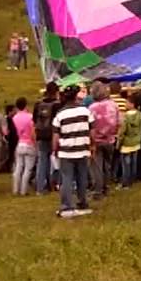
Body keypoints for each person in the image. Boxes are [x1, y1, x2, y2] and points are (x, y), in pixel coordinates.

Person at [53, 87, 94, 217]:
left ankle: (67, 205)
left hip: (66, 152)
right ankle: (82, 202)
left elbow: (55, 137)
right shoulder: (85, 111)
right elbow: (92, 131)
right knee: (82, 177)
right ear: (76, 96)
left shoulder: (60, 115)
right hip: (82, 149)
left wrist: (55, 150)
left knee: (66, 179)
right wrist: (92, 145)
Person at [88, 82, 121, 197]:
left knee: (97, 166)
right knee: (107, 165)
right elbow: (118, 122)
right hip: (110, 139)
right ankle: (106, 187)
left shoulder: (91, 108)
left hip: (96, 141)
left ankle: (98, 190)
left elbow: (89, 125)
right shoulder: (113, 105)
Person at [33, 83, 59, 193]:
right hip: (53, 134)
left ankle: (40, 186)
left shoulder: (38, 104)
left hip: (41, 134)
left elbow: (34, 119)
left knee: (42, 161)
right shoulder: (57, 105)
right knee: (53, 161)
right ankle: (51, 184)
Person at [117, 95, 141, 189]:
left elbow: (122, 132)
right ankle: (132, 179)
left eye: (127, 102)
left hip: (126, 144)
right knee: (133, 162)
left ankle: (125, 183)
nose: (125, 104)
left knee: (126, 164)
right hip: (136, 142)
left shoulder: (125, 117)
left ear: (132, 104)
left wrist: (118, 143)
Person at [11, 98, 37, 195]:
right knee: (28, 169)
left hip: (20, 143)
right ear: (26, 105)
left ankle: (15, 189)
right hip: (29, 143)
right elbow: (32, 132)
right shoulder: (30, 117)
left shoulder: (14, 118)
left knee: (18, 167)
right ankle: (23, 190)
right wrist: (35, 144)